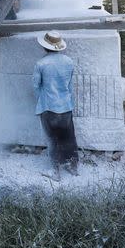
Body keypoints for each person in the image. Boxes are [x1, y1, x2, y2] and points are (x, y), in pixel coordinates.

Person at [32, 30, 79, 180]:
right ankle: (73, 167)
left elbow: (35, 86)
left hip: (48, 107)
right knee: (69, 138)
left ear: (45, 47)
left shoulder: (40, 64)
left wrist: (42, 100)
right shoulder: (69, 62)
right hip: (66, 106)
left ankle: (55, 171)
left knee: (52, 139)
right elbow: (70, 86)